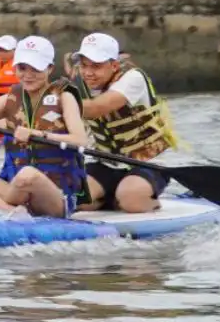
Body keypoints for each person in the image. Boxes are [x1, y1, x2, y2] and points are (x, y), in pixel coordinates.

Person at [0, 36, 91, 217]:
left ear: (50, 68)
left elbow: (80, 140)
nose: (27, 75)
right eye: (22, 68)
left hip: (55, 195)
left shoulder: (64, 97)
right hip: (16, 192)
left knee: (27, 174)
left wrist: (39, 134)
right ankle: (8, 211)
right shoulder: (9, 100)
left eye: (35, 68)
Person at [72, 33, 180, 213]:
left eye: (96, 66)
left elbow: (97, 108)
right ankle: (112, 199)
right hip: (107, 163)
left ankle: (142, 201)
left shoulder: (133, 79)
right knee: (76, 198)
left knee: (131, 200)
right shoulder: (79, 87)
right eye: (84, 65)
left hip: (148, 161)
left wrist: (57, 102)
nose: (88, 73)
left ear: (114, 65)